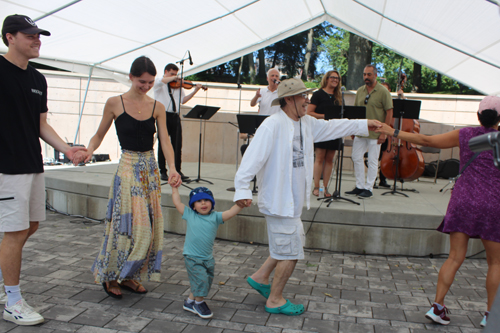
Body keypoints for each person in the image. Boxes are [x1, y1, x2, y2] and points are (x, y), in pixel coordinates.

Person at [234, 78, 382, 316]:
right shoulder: (271, 125)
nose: (307, 100)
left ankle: (260, 277)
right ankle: (275, 300)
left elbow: (336, 126)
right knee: (291, 252)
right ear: (290, 99)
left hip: (293, 201)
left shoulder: (307, 123)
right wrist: (241, 190)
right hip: (279, 201)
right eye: (303, 96)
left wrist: (365, 124)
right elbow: (251, 159)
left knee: (288, 244)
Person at [376, 95, 500, 328]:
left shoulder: (465, 135)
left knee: (454, 257)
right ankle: (491, 316)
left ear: (478, 116)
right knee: (495, 263)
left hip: (463, 200)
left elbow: (426, 139)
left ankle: (437, 307)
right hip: (494, 203)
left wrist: (393, 131)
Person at [0, 14, 87, 326]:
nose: (37, 41)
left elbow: (41, 124)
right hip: (6, 167)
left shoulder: (38, 79)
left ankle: (3, 277)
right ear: (10, 37)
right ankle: (12, 301)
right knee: (14, 232)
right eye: (30, 36)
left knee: (31, 225)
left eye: (39, 36)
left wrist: (67, 149)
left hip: (32, 164)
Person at [74, 56, 182, 299]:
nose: (145, 86)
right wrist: (89, 151)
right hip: (127, 168)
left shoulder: (158, 107)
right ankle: (111, 275)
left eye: (150, 82)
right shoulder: (115, 103)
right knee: (128, 226)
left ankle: (130, 276)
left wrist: (172, 168)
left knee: (149, 227)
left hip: (150, 170)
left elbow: (165, 140)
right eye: (142, 81)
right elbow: (99, 134)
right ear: (131, 77)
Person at [171, 186, 243, 319]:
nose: (203, 203)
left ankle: (189, 302)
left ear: (212, 203)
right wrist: (174, 188)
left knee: (205, 281)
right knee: (201, 281)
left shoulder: (215, 217)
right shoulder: (190, 214)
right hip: (192, 257)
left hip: (208, 258)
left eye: (206, 200)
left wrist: (240, 204)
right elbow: (177, 203)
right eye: (199, 201)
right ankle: (199, 303)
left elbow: (231, 212)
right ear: (193, 206)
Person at [346, 65, 393, 199]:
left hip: (376, 132)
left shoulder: (383, 91)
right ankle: (360, 185)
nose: (366, 77)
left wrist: (384, 132)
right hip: (360, 130)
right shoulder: (360, 91)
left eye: (369, 75)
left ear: (375, 75)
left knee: (372, 161)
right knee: (356, 157)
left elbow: (389, 112)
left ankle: (369, 188)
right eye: (364, 74)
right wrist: (353, 128)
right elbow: (355, 111)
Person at [154, 63, 203, 182]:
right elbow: (160, 81)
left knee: (177, 144)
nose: (175, 77)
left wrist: (195, 90)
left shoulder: (178, 86)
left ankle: (177, 170)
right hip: (163, 115)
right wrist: (173, 78)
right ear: (166, 72)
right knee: (163, 144)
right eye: (172, 74)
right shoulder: (159, 83)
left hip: (175, 115)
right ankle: (163, 171)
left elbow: (183, 100)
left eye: (176, 74)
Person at [307, 70, 342, 197]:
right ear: (326, 79)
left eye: (337, 78)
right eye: (332, 77)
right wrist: (325, 116)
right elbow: (309, 112)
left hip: (334, 131)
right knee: (320, 158)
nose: (335, 80)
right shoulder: (318, 94)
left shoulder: (339, 96)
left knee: (330, 160)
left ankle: (325, 189)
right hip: (321, 130)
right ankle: (316, 187)